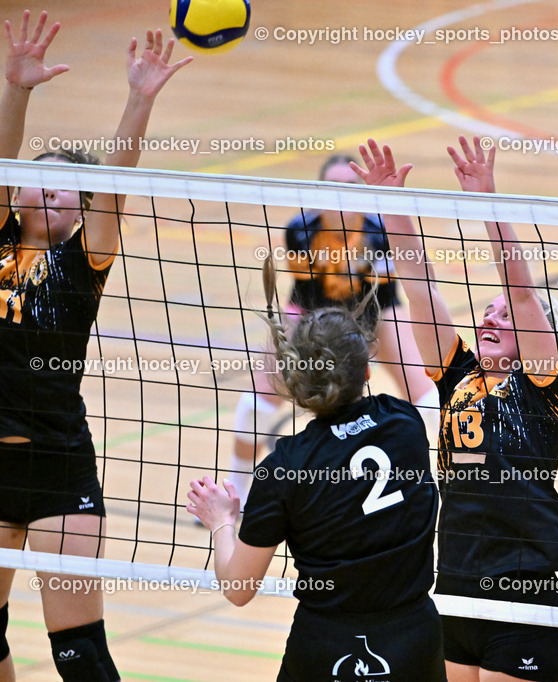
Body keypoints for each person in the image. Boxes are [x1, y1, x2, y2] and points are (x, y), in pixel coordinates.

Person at [352, 136, 558, 682]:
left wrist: (486, 201)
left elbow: (522, 291)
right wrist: (393, 206)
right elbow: (419, 283)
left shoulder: (540, 385)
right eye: (487, 309)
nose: (493, 316)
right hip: (455, 580)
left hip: (525, 589)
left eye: (506, 316)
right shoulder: (458, 374)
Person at [0, 11, 190, 681]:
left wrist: (139, 98)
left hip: (58, 466)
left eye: (67, 187)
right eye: (39, 176)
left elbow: (115, 185)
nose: (51, 187)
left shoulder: (84, 262)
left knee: (79, 654)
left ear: (81, 210)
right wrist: (18, 88)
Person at [186, 256, 444, 682]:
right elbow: (429, 388)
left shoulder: (284, 469)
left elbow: (237, 588)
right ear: (365, 370)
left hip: (324, 645)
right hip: (414, 638)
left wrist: (221, 521)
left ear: (295, 383)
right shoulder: (406, 424)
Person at [227, 153, 438, 510]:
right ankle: (237, 491)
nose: (341, 195)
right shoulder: (301, 231)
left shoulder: (380, 233)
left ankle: (442, 486)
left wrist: (364, 340)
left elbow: (387, 296)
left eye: (351, 187)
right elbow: (308, 298)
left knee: (431, 403)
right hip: (311, 313)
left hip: (378, 312)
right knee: (253, 407)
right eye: (332, 187)